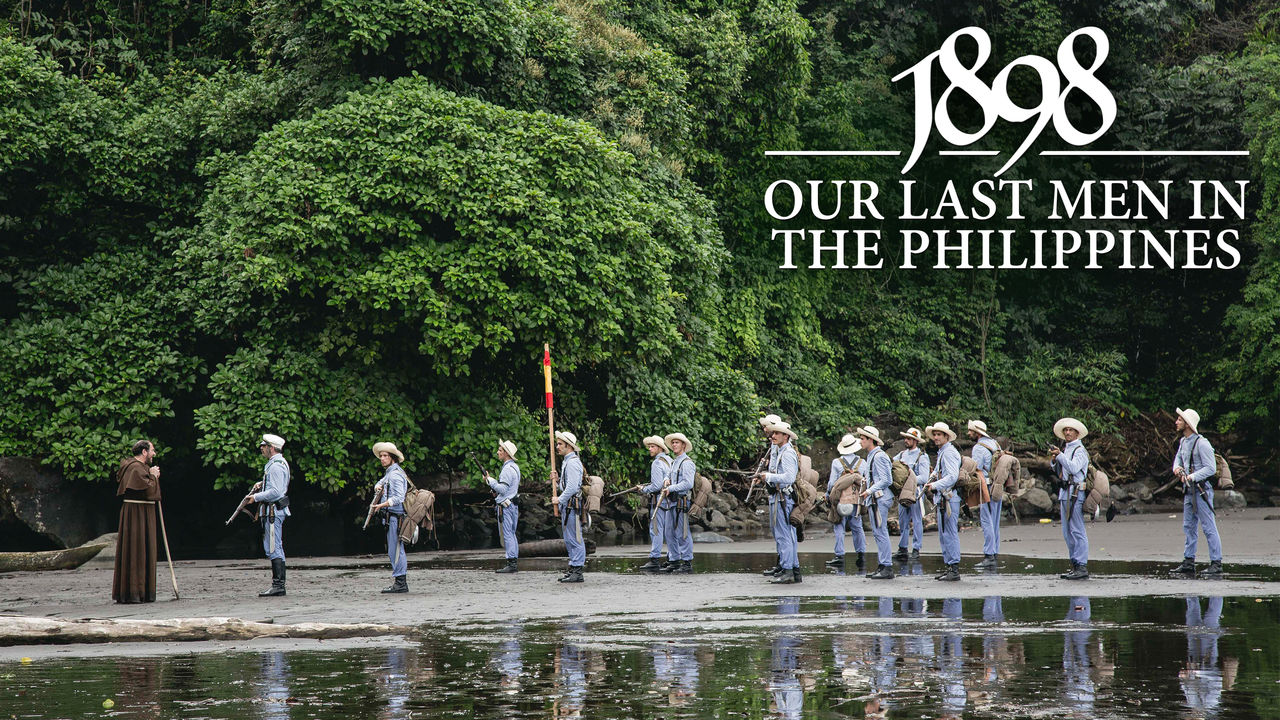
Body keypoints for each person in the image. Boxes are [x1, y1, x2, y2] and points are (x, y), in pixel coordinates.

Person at [1171, 408, 1224, 576]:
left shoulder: (1202, 443)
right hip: (1189, 491)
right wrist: (1178, 469)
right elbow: (1177, 461)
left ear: (1187, 424)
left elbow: (1211, 468)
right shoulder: (1183, 442)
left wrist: (1192, 477)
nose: (1176, 422)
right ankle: (1188, 561)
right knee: (1189, 526)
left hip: (1202, 490)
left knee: (1209, 527)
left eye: (1180, 420)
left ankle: (1216, 562)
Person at [112, 439, 161, 603]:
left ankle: (141, 592)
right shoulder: (135, 468)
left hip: (141, 512)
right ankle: (134, 592)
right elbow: (148, 491)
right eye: (152, 450)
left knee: (141, 550)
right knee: (136, 550)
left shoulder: (138, 467)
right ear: (144, 452)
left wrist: (152, 476)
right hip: (137, 514)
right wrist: (154, 476)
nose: (154, 454)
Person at [245, 433, 290, 597]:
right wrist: (262, 484)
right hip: (273, 511)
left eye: (264, 446)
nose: (261, 448)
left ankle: (278, 585)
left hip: (273, 512)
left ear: (271, 448)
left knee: (273, 547)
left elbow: (276, 492)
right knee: (275, 546)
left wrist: (255, 497)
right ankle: (278, 585)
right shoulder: (276, 463)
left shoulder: (276, 465)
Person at [757, 421, 801, 584]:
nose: (773, 436)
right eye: (773, 433)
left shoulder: (787, 453)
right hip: (780, 496)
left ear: (786, 436)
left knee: (784, 535)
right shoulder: (782, 451)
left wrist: (768, 476)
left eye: (777, 433)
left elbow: (789, 478)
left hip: (783, 497)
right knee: (785, 534)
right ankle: (792, 569)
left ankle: (788, 571)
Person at [1051, 418, 1090, 580]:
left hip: (1076, 493)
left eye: (1071, 430)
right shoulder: (1066, 449)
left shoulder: (1080, 450)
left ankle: (1081, 566)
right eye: (1065, 430)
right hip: (1066, 492)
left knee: (1077, 529)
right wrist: (1054, 460)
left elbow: (1074, 467)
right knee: (1067, 532)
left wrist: (1059, 456)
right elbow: (1062, 470)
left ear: (1077, 433)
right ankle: (1075, 564)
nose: (1067, 432)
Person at [923, 422, 961, 581]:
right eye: (935, 434)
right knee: (944, 534)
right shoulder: (943, 452)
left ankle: (954, 568)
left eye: (939, 434)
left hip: (949, 498)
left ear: (946, 436)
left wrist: (934, 485)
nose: (936, 437)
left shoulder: (949, 453)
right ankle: (949, 567)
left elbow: (952, 476)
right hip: (944, 498)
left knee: (950, 533)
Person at [370, 441, 409, 592]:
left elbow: (399, 497)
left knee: (396, 550)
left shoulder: (395, 475)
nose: (382, 458)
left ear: (392, 457)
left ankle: (400, 583)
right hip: (392, 517)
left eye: (385, 456)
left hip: (396, 517)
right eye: (381, 456)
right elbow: (380, 483)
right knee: (394, 549)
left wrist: (382, 505)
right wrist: (377, 487)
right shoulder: (391, 473)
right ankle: (400, 582)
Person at [858, 426, 895, 580]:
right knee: (878, 532)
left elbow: (887, 480)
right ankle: (883, 564)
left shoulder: (879, 456)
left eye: (863, 438)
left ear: (871, 440)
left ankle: (887, 566)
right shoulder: (872, 456)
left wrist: (870, 490)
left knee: (881, 531)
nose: (860, 441)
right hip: (876, 498)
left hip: (881, 497)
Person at [825, 433, 865, 569]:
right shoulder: (862, 463)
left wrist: (827, 495)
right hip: (857, 500)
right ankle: (861, 555)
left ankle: (839, 556)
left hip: (841, 500)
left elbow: (832, 483)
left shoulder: (837, 463)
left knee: (839, 527)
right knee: (857, 527)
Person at [551, 431, 586, 583]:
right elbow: (565, 486)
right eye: (557, 443)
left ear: (568, 446)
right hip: (568, 505)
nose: (557, 447)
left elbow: (572, 488)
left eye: (560, 444)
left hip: (572, 505)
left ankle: (577, 570)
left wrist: (559, 500)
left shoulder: (572, 463)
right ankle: (573, 567)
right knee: (569, 538)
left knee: (575, 538)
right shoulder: (567, 461)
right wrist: (558, 481)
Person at [659, 432, 696, 574]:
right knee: (668, 531)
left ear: (683, 445)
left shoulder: (688, 463)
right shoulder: (675, 462)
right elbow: (669, 475)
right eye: (673, 442)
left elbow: (688, 483)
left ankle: (687, 562)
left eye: (677, 443)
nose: (674, 445)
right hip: (672, 501)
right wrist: (666, 480)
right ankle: (674, 560)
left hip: (682, 502)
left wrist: (671, 488)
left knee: (682, 533)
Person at [969, 420, 1002, 570]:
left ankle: (989, 555)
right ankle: (994, 553)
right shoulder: (995, 444)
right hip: (998, 485)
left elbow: (976, 468)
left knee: (986, 520)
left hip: (986, 486)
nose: (969, 433)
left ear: (977, 433)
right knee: (995, 521)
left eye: (970, 431)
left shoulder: (978, 447)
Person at [635, 436, 671, 571]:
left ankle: (654, 559)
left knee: (655, 530)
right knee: (668, 532)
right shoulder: (670, 460)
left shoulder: (656, 463)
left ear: (660, 448)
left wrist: (643, 489)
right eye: (649, 446)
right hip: (670, 501)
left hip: (659, 501)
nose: (649, 449)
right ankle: (671, 558)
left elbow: (656, 486)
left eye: (652, 446)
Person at [893, 428, 930, 560]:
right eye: (906, 438)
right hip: (903, 492)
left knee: (916, 520)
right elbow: (892, 465)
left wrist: (909, 480)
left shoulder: (922, 457)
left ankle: (916, 548)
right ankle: (902, 548)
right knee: (903, 520)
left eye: (909, 439)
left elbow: (925, 477)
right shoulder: (901, 455)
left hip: (916, 492)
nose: (906, 440)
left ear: (915, 441)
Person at [486, 440, 522, 574]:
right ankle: (513, 562)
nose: (498, 452)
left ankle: (511, 563)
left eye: (500, 450)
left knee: (507, 534)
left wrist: (491, 481)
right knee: (512, 534)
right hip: (513, 504)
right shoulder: (515, 467)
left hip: (506, 506)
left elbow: (502, 489)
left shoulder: (507, 469)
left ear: (506, 453)